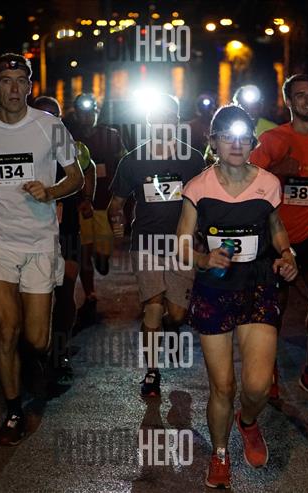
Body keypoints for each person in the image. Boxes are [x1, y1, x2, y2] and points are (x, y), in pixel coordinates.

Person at [0, 53, 84, 446]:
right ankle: (13, 411)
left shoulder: (50, 127)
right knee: (7, 328)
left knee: (38, 339)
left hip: (40, 240)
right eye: (6, 80)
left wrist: (51, 191)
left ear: (29, 86)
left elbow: (75, 177)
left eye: (21, 81)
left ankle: (30, 362)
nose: (14, 88)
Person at [177, 105, 298, 489]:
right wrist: (203, 258)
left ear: (252, 143)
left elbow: (276, 228)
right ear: (213, 142)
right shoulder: (198, 188)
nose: (236, 144)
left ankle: (247, 422)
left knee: (258, 386)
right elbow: (182, 244)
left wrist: (287, 254)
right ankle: (219, 454)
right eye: (227, 137)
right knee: (223, 386)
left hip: (258, 287)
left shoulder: (268, 184)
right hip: (214, 291)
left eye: (244, 137)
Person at [249, 74, 308, 401]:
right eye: (300, 95)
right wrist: (279, 171)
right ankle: (270, 369)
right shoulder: (273, 139)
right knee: (277, 305)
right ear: (288, 102)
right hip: (278, 233)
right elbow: (247, 177)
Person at [107, 94, 205, 397]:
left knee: (176, 314)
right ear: (149, 122)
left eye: (169, 117)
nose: (163, 123)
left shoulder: (193, 160)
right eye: (157, 118)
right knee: (152, 307)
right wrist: (116, 220)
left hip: (182, 245)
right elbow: (116, 203)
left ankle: (172, 327)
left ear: (177, 121)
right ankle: (151, 371)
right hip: (146, 243)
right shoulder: (132, 161)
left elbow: (205, 203)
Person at [32, 95, 96, 385]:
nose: (46, 121)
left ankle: (59, 353)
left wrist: (86, 199)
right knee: (35, 294)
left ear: (60, 119)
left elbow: (88, 169)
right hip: (32, 234)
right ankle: (32, 351)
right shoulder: (22, 147)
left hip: (66, 230)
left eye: (53, 116)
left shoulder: (73, 146)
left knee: (65, 289)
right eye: (41, 115)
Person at [65, 93, 127, 326]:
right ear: (76, 115)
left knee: (102, 251)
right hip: (81, 203)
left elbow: (124, 161)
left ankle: (103, 259)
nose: (86, 117)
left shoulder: (111, 136)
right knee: (84, 251)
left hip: (105, 202)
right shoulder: (69, 138)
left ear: (96, 113)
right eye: (82, 113)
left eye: (90, 112)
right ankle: (90, 292)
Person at [203, 84, 277, 165]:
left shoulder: (273, 130)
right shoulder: (224, 128)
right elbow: (209, 159)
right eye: (243, 106)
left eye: (253, 106)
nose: (248, 110)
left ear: (260, 107)